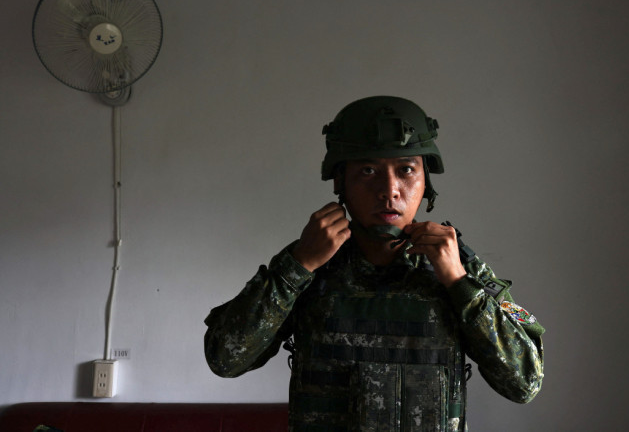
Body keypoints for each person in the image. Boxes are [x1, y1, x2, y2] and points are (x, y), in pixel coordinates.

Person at [204, 96, 544, 431]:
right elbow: (225, 359)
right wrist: (297, 266)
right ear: (340, 182)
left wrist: (458, 283)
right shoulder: (308, 262)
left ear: (426, 183)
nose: (389, 190)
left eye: (406, 170)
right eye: (368, 170)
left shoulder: (457, 267)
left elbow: (524, 383)